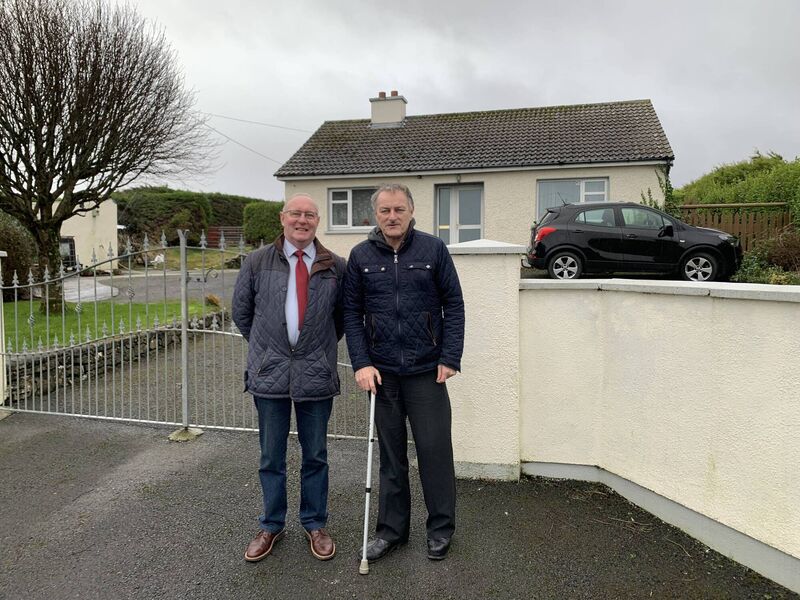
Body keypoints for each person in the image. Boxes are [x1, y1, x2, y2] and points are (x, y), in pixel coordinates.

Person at [343, 183, 465, 562]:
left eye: (399, 209)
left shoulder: (433, 249)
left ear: (411, 211)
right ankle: (391, 532)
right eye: (385, 210)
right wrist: (361, 362)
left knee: (434, 453)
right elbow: (351, 313)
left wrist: (450, 356)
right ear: (375, 215)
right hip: (382, 376)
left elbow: (453, 304)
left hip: (427, 371)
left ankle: (440, 529)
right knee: (391, 457)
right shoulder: (360, 255)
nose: (392, 216)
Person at [232, 193, 346, 563]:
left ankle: (315, 523)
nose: (302, 220)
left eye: (309, 215)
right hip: (270, 374)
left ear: (317, 221)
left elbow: (341, 319)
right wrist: (269, 349)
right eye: (295, 213)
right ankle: (271, 524)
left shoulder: (335, 266)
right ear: (282, 218)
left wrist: (314, 348)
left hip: (315, 373)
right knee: (271, 456)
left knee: (316, 455)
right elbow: (241, 312)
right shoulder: (256, 262)